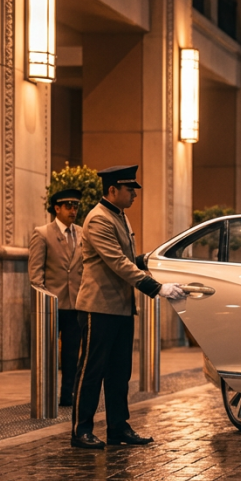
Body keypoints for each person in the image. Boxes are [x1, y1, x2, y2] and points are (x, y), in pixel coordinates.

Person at [71, 166, 185, 449]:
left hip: (120, 307)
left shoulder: (119, 216)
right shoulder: (98, 219)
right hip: (98, 307)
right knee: (91, 371)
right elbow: (116, 262)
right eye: (129, 189)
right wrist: (156, 287)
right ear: (112, 190)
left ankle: (117, 427)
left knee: (120, 372)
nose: (134, 194)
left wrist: (146, 259)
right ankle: (80, 430)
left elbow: (124, 258)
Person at [29, 188, 84, 407]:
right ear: (57, 208)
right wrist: (43, 298)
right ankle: (46, 394)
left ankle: (67, 393)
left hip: (76, 303)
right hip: (52, 304)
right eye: (68, 206)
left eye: (76, 206)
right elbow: (35, 273)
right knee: (49, 352)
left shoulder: (82, 233)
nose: (73, 210)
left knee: (72, 353)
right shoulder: (42, 233)